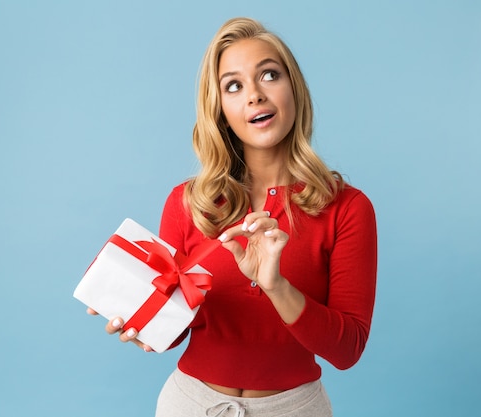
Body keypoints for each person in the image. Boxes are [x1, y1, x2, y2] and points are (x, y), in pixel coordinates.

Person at [89, 17, 377, 417]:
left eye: (269, 75)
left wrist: (276, 285)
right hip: (189, 404)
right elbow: (177, 328)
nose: (255, 95)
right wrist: (143, 324)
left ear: (294, 89)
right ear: (221, 109)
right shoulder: (189, 202)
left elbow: (347, 351)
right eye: (234, 85)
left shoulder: (347, 207)